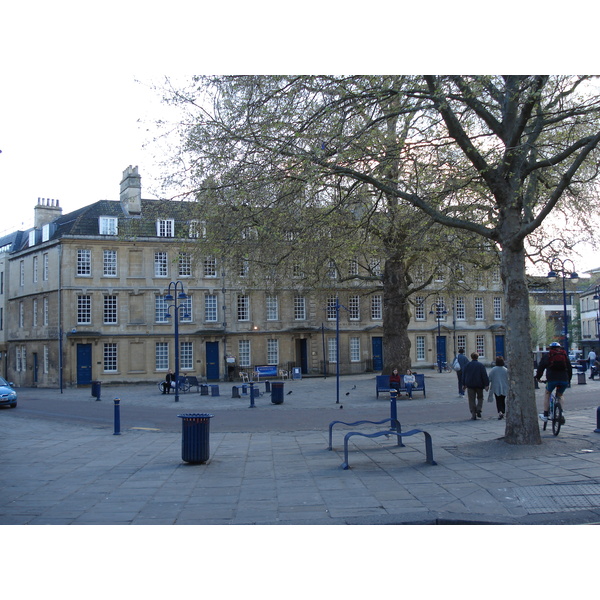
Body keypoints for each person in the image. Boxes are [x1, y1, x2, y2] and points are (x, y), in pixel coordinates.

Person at [535, 342, 572, 423]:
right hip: (564, 379)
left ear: (550, 348)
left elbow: (541, 368)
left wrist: (538, 378)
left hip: (552, 379)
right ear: (559, 348)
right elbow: (569, 368)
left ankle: (545, 415)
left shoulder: (547, 356)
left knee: (547, 394)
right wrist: (568, 380)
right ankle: (561, 413)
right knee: (560, 395)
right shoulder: (564, 355)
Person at [462, 352, 490, 420]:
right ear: (477, 357)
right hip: (479, 384)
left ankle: (473, 413)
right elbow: (484, 375)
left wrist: (463, 384)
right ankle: (479, 409)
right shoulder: (480, 365)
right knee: (480, 398)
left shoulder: (467, 365)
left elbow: (464, 375)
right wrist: (486, 384)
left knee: (471, 399)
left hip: (470, 385)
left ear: (471, 357)